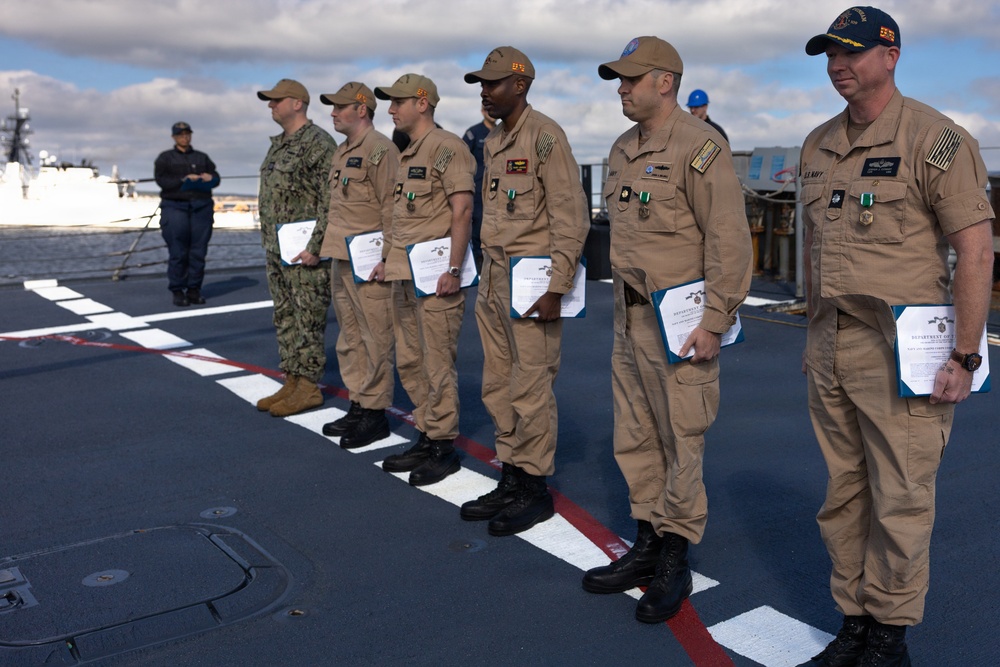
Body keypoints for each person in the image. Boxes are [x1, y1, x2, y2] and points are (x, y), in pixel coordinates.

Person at [796, 8, 994, 667]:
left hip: (904, 348)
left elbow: (975, 252)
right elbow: (817, 249)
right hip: (832, 344)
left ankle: (888, 636)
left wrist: (966, 355)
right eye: (829, 54)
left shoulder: (937, 139)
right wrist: (810, 334)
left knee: (902, 497)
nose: (837, 64)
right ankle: (853, 621)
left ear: (891, 55)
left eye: (850, 52)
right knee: (843, 494)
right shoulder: (819, 143)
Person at [582, 36, 751, 623]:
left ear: (665, 81)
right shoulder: (623, 147)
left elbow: (729, 238)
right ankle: (648, 541)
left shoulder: (700, 147)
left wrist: (715, 319)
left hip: (680, 322)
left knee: (682, 436)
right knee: (636, 433)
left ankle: (676, 551)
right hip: (629, 318)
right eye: (618, 80)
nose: (621, 88)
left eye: (630, 78)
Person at [461, 47, 589, 536]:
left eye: (492, 83)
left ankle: (534, 488)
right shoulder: (494, 141)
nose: (485, 91)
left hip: (532, 284)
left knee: (532, 388)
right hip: (494, 278)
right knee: (498, 383)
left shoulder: (545, 137)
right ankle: (511, 475)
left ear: (520, 85)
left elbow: (569, 216)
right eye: (481, 83)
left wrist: (558, 287)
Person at [372, 74, 475, 486]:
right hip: (404, 274)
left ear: (422, 102)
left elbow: (462, 211)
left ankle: (443, 446)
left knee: (436, 362)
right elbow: (401, 218)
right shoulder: (407, 152)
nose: (391, 109)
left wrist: (453, 270)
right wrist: (385, 260)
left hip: (436, 279)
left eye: (397, 102)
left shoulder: (447, 147)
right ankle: (427, 432)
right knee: (412, 360)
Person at [316, 82, 400, 449]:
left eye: (339, 107)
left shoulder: (381, 149)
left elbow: (391, 207)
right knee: (349, 337)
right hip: (341, 254)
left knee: (375, 335)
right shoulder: (341, 151)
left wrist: (387, 257)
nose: (333, 113)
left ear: (362, 110)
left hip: (369, 260)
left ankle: (376, 412)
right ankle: (359, 401)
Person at [254, 79, 338, 418]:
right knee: (285, 314)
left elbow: (330, 200)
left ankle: (307, 386)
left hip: (305, 251)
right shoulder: (279, 145)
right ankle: (292, 378)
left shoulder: (318, 143)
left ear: (297, 103)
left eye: (276, 100)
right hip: (278, 248)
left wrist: (316, 246)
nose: (270, 105)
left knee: (307, 317)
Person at [153, 121, 220, 307]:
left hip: (201, 207)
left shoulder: (202, 157)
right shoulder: (165, 158)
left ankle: (194, 290)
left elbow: (216, 178)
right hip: (175, 206)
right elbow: (162, 181)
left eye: (187, 134)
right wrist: (183, 179)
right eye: (181, 134)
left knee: (198, 251)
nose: (185, 137)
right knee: (178, 251)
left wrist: (210, 178)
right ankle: (177, 290)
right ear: (174, 137)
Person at [462, 104, 496, 270]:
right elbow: (461, 157)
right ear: (482, 111)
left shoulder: (503, 132)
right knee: (477, 226)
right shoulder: (473, 133)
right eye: (487, 109)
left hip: (497, 190)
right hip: (478, 190)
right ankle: (477, 261)